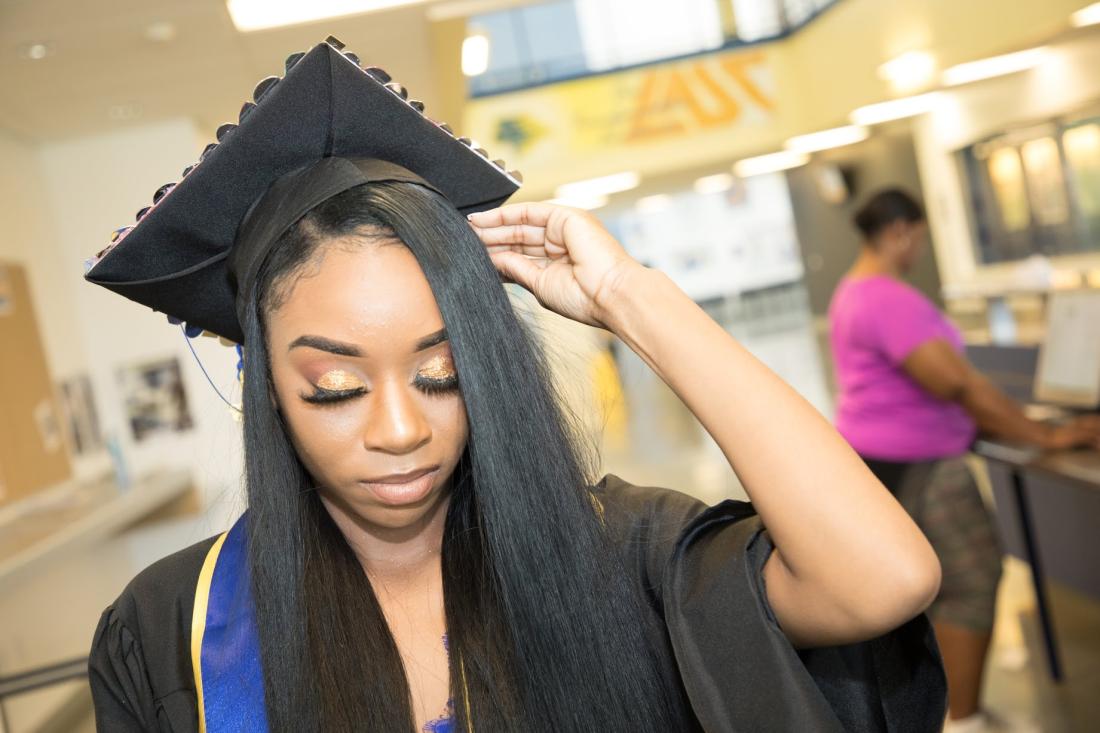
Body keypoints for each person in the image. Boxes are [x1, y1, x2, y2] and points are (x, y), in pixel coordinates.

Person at [85, 40, 947, 732]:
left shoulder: (615, 555)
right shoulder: (174, 633)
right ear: (266, 383)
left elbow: (883, 579)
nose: (399, 428)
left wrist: (633, 298)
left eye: (440, 374)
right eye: (337, 386)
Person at [829, 188, 1100, 732]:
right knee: (971, 578)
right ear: (901, 231)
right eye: (919, 237)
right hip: (921, 468)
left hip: (883, 458)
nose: (918, 250)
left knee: (943, 585)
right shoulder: (887, 296)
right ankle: (964, 720)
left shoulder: (850, 292)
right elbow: (955, 383)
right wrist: (1044, 436)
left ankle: (947, 713)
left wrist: (1024, 423)